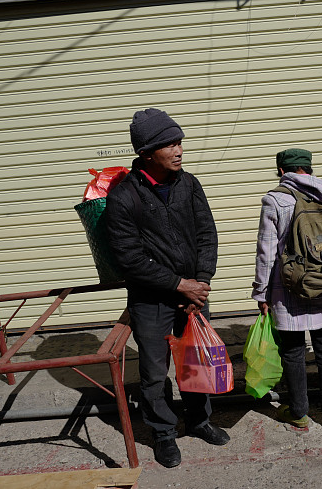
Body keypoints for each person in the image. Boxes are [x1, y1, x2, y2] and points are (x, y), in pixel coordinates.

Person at [106, 108, 229, 468]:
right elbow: (130, 259)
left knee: (194, 360)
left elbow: (207, 234)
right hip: (151, 300)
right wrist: (179, 285)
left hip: (195, 296)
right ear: (146, 153)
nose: (178, 150)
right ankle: (163, 434)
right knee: (155, 371)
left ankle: (199, 420)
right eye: (169, 145)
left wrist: (201, 284)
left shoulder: (189, 183)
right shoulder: (124, 197)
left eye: (179, 142)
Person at [252, 148, 322, 429]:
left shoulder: (275, 200)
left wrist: (262, 293)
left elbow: (266, 252)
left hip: (289, 286)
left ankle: (298, 411)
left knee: (293, 349)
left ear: (282, 171)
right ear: (308, 168)